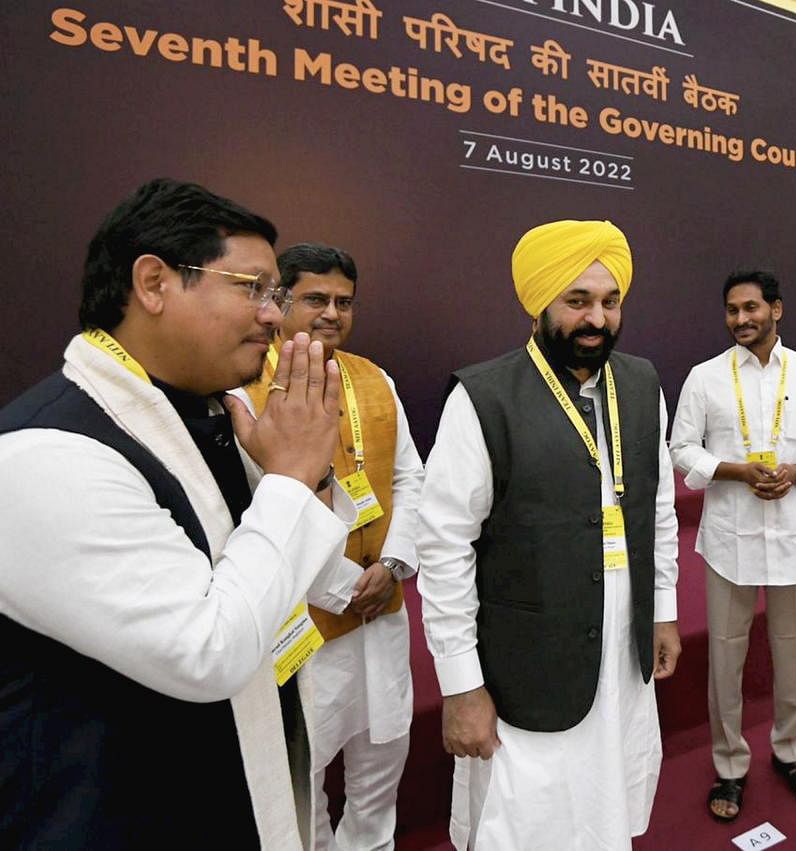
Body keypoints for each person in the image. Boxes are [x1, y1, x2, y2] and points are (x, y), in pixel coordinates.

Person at [0, 178, 355, 849]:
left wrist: (297, 476)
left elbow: (299, 580)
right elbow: (206, 650)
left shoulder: (211, 414)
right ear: (154, 282)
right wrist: (287, 477)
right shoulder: (46, 455)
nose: (276, 316)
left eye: (274, 293)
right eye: (251, 288)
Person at [416, 219, 681, 850]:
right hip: (527, 667)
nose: (597, 319)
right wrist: (460, 686)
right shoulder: (483, 397)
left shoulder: (642, 384)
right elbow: (444, 547)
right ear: (540, 303)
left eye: (610, 301)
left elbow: (659, 507)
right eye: (578, 301)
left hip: (622, 654)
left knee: (609, 803)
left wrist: (663, 611)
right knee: (528, 820)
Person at [232, 243, 425, 850]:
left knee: (383, 753)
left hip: (382, 608)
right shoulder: (243, 393)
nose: (332, 313)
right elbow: (258, 506)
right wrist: (345, 587)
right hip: (306, 621)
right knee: (307, 769)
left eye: (344, 301)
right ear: (280, 301)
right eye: (316, 298)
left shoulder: (375, 378)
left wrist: (392, 566)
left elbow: (409, 480)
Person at [669, 269, 796, 821]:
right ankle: (729, 764)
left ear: (776, 309)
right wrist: (733, 471)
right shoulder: (704, 377)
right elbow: (681, 448)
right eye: (731, 310)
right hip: (730, 539)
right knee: (725, 658)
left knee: (791, 650)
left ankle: (789, 750)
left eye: (751, 308)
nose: (740, 319)